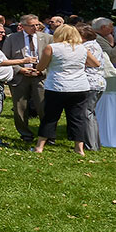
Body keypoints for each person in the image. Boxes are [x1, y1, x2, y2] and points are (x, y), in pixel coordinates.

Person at [33, 24, 98, 155]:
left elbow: (40, 67)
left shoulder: (51, 48)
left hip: (57, 86)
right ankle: (79, 148)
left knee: (50, 117)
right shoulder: (82, 49)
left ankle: (39, 147)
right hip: (79, 87)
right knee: (77, 117)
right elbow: (95, 64)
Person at [2, 17, 49, 140]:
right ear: (22, 26)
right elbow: (6, 59)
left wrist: (41, 71)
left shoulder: (47, 38)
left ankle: (47, 135)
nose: (35, 28)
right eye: (31, 25)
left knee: (43, 106)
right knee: (20, 107)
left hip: (40, 77)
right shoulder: (11, 38)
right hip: (20, 76)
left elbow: (53, 59)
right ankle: (25, 134)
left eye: (37, 25)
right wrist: (20, 70)